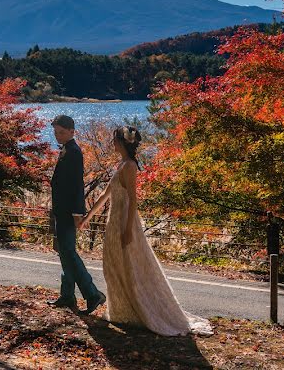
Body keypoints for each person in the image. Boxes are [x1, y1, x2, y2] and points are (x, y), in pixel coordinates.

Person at [79, 126, 212, 336]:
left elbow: (133, 198)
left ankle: (141, 310)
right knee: (113, 265)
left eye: (114, 140)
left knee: (131, 266)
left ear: (122, 143)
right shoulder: (121, 164)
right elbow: (106, 193)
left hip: (124, 221)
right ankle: (124, 310)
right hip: (113, 222)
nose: (112, 144)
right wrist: (88, 217)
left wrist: (129, 229)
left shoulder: (130, 166)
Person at [48, 114, 106, 314]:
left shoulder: (74, 152)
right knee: (64, 252)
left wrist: (77, 212)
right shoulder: (66, 150)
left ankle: (93, 294)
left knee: (69, 253)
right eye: (56, 132)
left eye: (62, 132)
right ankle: (67, 295)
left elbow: (76, 185)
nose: (58, 136)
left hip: (68, 212)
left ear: (72, 132)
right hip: (61, 210)